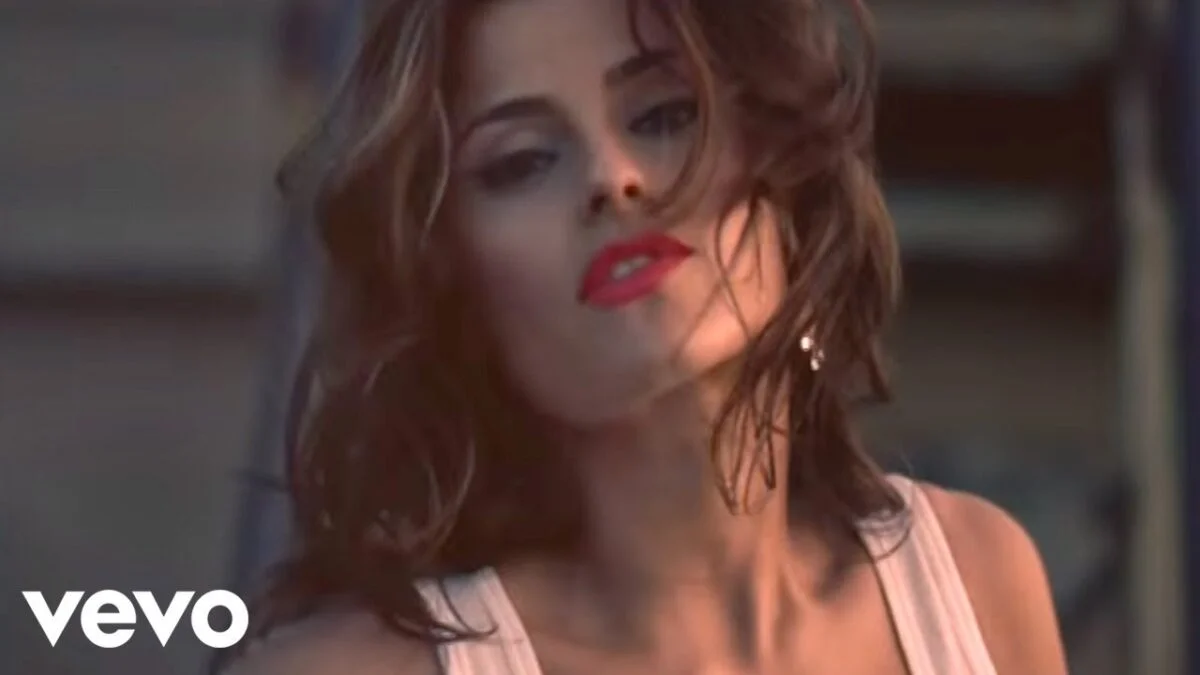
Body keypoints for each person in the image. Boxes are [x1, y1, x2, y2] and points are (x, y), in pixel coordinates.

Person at [223, 0, 1069, 672]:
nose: (611, 176)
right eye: (522, 161)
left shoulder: (977, 577)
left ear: (787, 163)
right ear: (456, 283)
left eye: (663, 114)